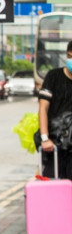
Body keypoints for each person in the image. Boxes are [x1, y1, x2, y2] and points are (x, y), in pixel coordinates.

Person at [38, 39, 72, 178]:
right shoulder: (53, 77)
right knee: (54, 186)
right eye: (70, 56)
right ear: (68, 55)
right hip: (55, 145)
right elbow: (43, 109)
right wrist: (45, 138)